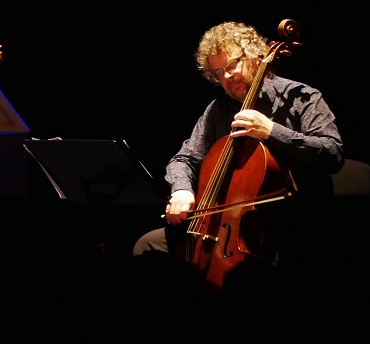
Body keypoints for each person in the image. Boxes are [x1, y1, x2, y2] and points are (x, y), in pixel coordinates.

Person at [129, 19, 345, 322]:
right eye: (218, 73)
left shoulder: (301, 98)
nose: (227, 76)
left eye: (232, 64)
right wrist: (181, 190)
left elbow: (333, 153)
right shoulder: (218, 111)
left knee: (251, 279)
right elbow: (184, 159)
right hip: (222, 227)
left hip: (288, 225)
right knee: (149, 245)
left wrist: (271, 131)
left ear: (255, 55)